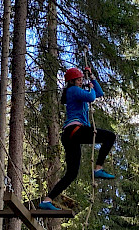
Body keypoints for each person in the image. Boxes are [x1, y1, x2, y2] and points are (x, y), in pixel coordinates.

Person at [40, 67, 116, 210]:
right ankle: (98, 168)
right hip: (75, 130)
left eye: (82, 79)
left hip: (70, 135)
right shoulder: (72, 90)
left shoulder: (76, 91)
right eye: (79, 79)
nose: (81, 81)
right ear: (72, 81)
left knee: (72, 173)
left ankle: (47, 200)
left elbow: (99, 93)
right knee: (110, 136)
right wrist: (90, 88)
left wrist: (92, 78)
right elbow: (92, 97)